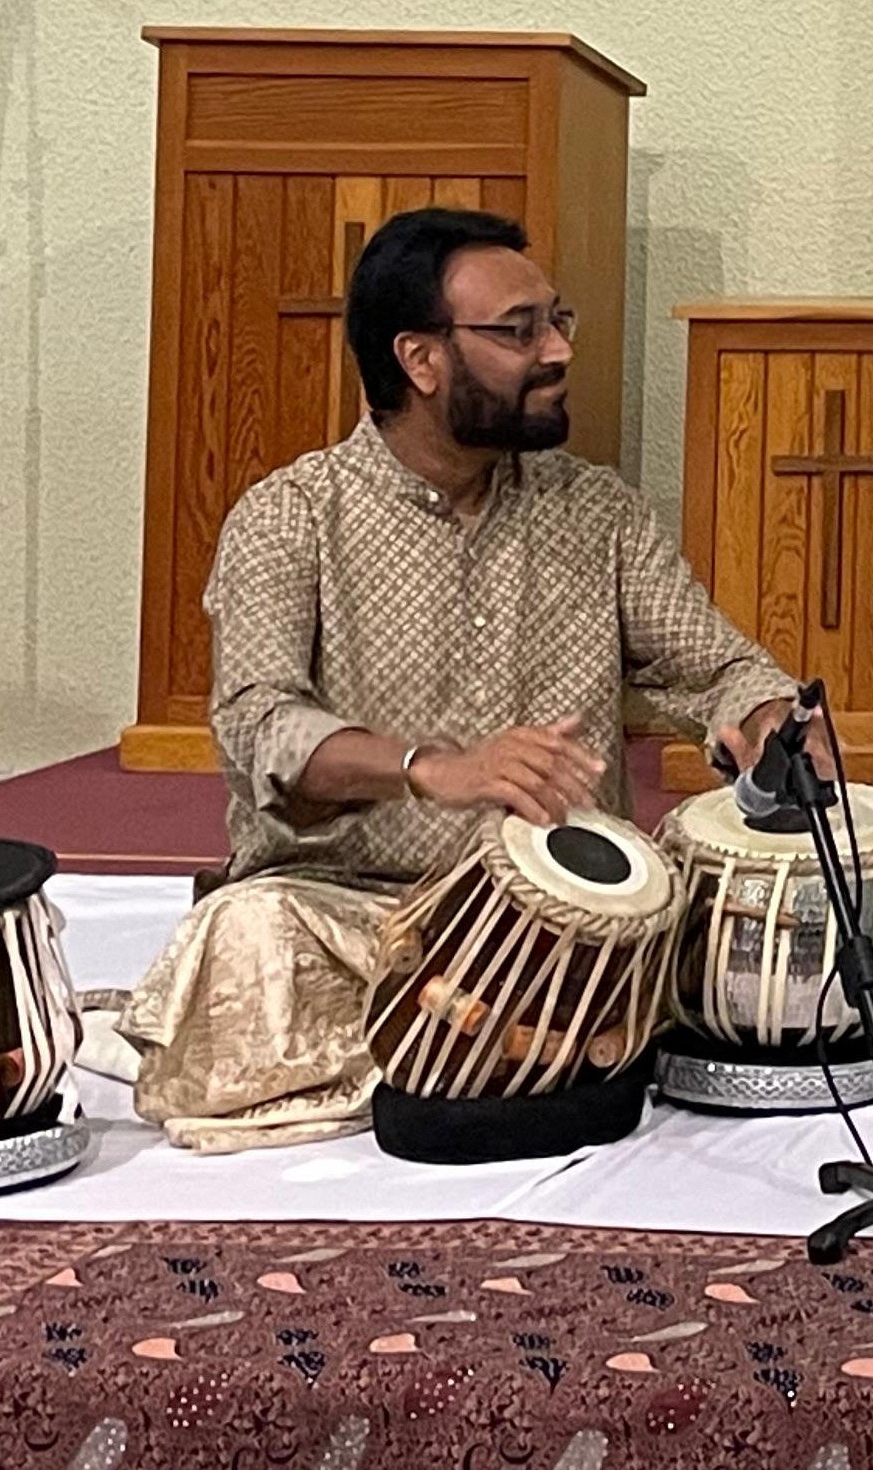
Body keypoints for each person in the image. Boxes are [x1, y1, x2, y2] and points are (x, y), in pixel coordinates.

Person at [109, 208, 809, 1153]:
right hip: (362, 917)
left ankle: (494, 1042)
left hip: (574, 923)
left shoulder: (594, 511)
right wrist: (431, 768)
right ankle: (523, 1044)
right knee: (249, 932)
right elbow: (258, 726)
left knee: (729, 898)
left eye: (558, 321)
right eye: (519, 331)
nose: (557, 349)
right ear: (420, 358)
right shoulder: (292, 518)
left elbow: (713, 663)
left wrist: (767, 717)